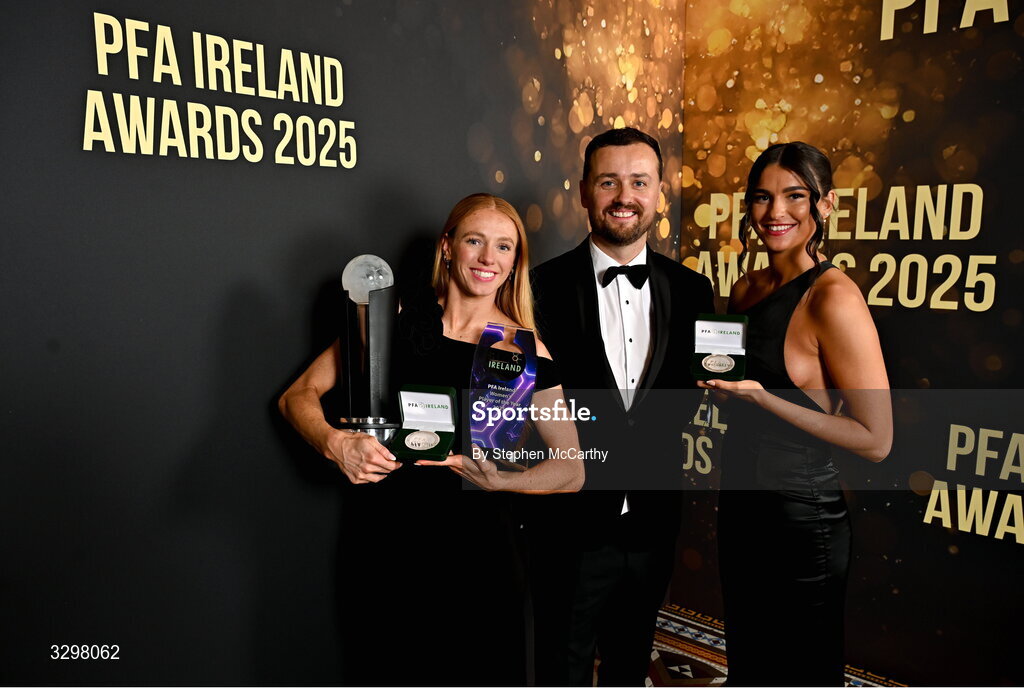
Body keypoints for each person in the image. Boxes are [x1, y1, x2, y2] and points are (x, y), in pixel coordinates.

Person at [278, 192, 582, 686]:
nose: (489, 258)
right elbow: (297, 396)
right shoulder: (391, 319)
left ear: (515, 263)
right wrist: (336, 443)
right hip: (386, 551)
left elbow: (572, 468)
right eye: (475, 241)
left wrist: (503, 480)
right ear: (447, 246)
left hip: (481, 561)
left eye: (505, 247)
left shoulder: (520, 348)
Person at [526, 127, 715, 686]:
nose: (623, 196)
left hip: (656, 521)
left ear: (660, 192)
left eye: (639, 181)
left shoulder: (694, 291)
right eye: (608, 181)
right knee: (561, 668)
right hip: (569, 525)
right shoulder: (535, 289)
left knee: (631, 664)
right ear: (584, 191)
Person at [699, 142, 892, 686]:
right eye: (762, 198)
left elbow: (876, 439)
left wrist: (764, 399)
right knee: (751, 665)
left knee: (802, 672)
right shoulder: (745, 288)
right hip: (739, 506)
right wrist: (726, 393)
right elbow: (746, 393)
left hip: (802, 520)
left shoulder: (834, 298)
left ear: (825, 205)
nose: (774, 213)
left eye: (794, 196)